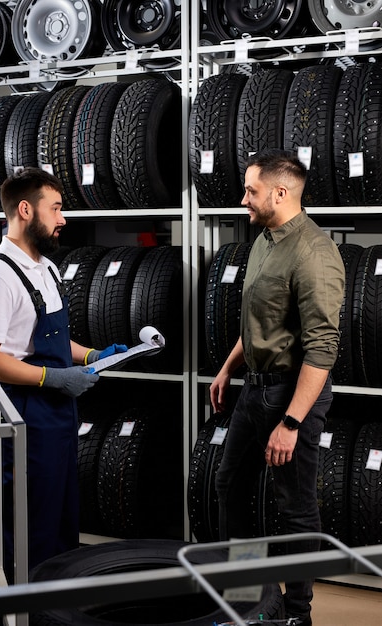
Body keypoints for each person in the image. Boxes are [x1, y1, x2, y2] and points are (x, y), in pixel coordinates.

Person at [210, 149, 345, 626]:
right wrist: (229, 366)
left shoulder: (314, 253)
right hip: (255, 387)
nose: (243, 198)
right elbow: (260, 322)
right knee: (231, 483)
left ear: (280, 193)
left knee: (295, 508)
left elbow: (323, 350)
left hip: (292, 395)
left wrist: (291, 422)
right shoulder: (264, 240)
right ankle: (247, 595)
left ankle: (297, 613)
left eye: (251, 190)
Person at [0, 167, 127, 583]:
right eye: (56, 208)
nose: (63, 219)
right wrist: (52, 379)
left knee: (62, 524)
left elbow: (56, 340)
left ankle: (56, 609)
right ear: (25, 210)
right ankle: (27, 608)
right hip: (25, 417)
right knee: (32, 528)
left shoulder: (45, 267)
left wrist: (91, 355)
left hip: (58, 417)